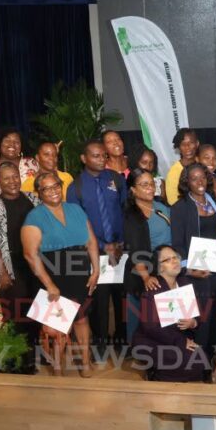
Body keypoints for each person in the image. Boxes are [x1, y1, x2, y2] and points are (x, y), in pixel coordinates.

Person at [21, 172, 100, 376]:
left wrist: (96, 270)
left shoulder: (75, 209)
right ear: (39, 193)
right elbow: (30, 255)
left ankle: (84, 362)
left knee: (81, 319)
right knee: (56, 326)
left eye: (56, 185)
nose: (53, 191)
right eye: (46, 188)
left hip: (79, 273)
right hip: (53, 276)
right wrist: (49, 285)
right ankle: (57, 369)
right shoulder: (34, 216)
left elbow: (91, 242)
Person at [66, 140, 127, 350]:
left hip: (119, 251)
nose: (101, 159)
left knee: (122, 300)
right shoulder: (76, 188)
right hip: (95, 253)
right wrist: (103, 246)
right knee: (100, 302)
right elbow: (77, 225)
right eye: (96, 156)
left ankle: (121, 342)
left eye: (104, 156)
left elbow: (123, 211)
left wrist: (119, 244)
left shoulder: (116, 180)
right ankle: (99, 346)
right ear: (84, 158)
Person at [0, 162, 37, 368]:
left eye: (15, 176)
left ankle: (32, 353)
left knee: (35, 310)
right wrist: (2, 273)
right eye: (6, 178)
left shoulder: (32, 199)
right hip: (10, 267)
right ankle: (19, 360)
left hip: (33, 264)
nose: (12, 181)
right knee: (16, 315)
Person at [170, 163, 216, 353]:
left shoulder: (214, 202)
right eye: (194, 178)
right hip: (195, 274)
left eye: (202, 177)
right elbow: (177, 244)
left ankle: (213, 360)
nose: (199, 181)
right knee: (201, 319)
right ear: (187, 182)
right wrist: (190, 269)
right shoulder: (180, 207)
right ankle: (199, 364)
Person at [131, 245, 206, 382]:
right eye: (168, 260)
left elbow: (198, 315)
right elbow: (150, 328)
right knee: (192, 360)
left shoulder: (184, 283)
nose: (175, 261)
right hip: (151, 341)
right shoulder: (152, 288)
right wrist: (181, 341)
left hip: (177, 338)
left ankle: (160, 373)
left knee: (199, 359)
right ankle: (155, 375)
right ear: (159, 267)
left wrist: (193, 322)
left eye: (175, 257)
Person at [122, 168, 172, 342]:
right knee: (141, 321)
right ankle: (142, 355)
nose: (150, 188)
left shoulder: (162, 208)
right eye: (144, 185)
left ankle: (165, 353)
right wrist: (145, 277)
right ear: (133, 190)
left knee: (163, 321)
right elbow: (134, 249)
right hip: (142, 274)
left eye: (152, 183)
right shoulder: (131, 215)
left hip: (166, 269)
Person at [0, 127, 40, 203]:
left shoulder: (32, 163)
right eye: (7, 140)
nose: (12, 144)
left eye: (16, 141)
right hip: (3, 212)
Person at [166, 128, 199, 205]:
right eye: (183, 144)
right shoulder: (174, 172)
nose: (187, 147)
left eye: (191, 143)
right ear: (179, 147)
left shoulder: (201, 164)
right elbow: (172, 201)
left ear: (197, 144)